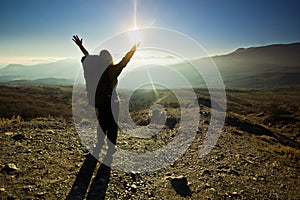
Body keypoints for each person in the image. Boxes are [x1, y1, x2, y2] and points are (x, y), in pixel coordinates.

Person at [72, 35, 139, 157]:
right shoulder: (112, 70)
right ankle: (110, 149)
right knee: (112, 125)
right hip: (113, 101)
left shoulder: (96, 69)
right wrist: (134, 49)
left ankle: (99, 146)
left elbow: (87, 57)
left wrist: (80, 46)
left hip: (101, 101)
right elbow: (125, 61)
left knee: (102, 124)